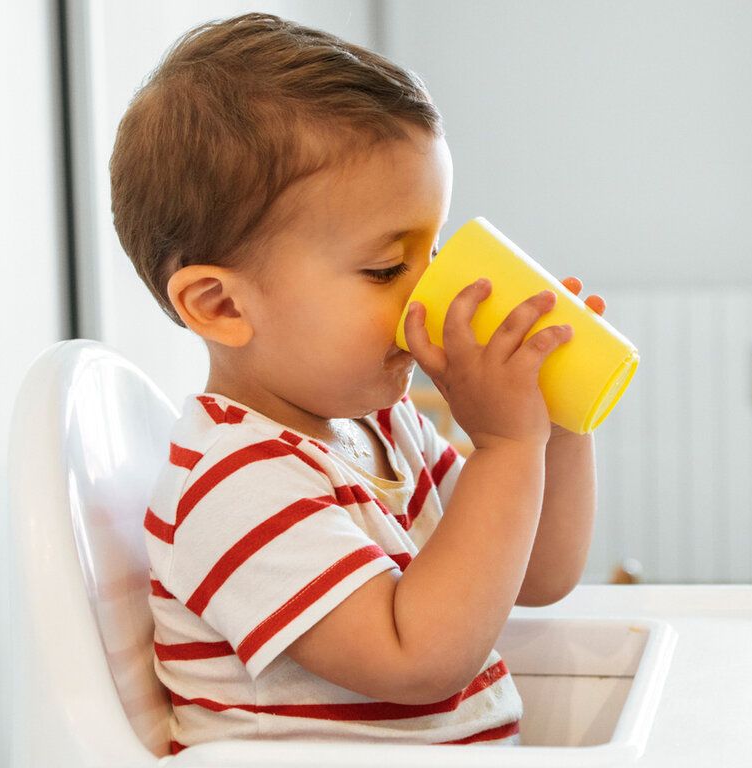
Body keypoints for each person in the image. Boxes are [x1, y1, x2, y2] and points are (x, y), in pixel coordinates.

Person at [110, 12, 605, 751]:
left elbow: (534, 573)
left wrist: (553, 420)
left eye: (433, 251)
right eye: (385, 269)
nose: (428, 295)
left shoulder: (380, 425)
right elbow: (418, 660)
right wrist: (505, 446)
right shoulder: (232, 485)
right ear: (221, 305)